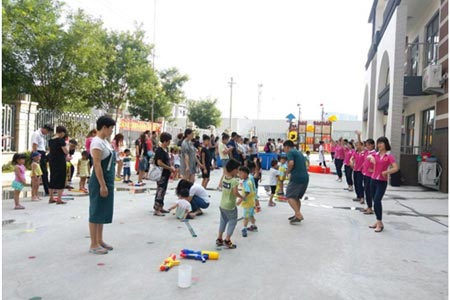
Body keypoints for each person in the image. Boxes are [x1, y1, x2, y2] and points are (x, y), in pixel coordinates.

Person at [88, 115, 116, 254]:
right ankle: (93, 244)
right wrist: (102, 185)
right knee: (95, 211)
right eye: (111, 128)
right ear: (104, 127)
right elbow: (97, 165)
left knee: (102, 211)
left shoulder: (105, 142)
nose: (112, 131)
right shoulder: (96, 143)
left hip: (108, 180)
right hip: (99, 181)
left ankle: (100, 240)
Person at [367, 137, 399, 233]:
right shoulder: (375, 155)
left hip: (382, 181)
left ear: (386, 144)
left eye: (381, 143)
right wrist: (372, 160)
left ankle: (379, 223)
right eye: (378, 143)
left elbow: (396, 168)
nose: (379, 145)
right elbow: (370, 161)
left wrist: (386, 172)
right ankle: (378, 221)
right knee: (374, 200)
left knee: (377, 200)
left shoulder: (389, 156)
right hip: (373, 180)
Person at [216, 159, 242, 249]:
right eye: (238, 169)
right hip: (230, 206)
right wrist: (242, 197)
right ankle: (227, 240)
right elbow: (235, 193)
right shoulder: (234, 181)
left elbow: (220, 186)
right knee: (233, 221)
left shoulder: (224, 178)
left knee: (223, 221)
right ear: (234, 170)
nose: (238, 171)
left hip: (222, 204)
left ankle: (219, 238)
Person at [283, 140, 309, 224]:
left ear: (287, 147)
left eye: (284, 148)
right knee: (296, 197)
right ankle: (296, 214)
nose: (284, 150)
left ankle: (298, 214)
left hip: (297, 178)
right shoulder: (299, 152)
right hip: (305, 177)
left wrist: (287, 171)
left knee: (289, 196)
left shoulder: (290, 152)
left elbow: (291, 163)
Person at [153, 132, 175, 216]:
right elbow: (159, 163)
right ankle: (157, 208)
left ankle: (161, 206)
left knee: (163, 190)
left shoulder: (166, 150)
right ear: (165, 141)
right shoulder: (160, 150)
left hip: (166, 173)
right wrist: (169, 168)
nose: (169, 142)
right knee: (160, 190)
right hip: (161, 174)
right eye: (169, 141)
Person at [48, 126, 69, 205]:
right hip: (60, 161)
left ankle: (51, 198)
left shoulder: (50, 140)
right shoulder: (61, 140)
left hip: (52, 160)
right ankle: (59, 199)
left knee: (52, 177)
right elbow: (65, 151)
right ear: (62, 133)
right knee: (61, 178)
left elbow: (50, 150)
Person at [31, 123, 53, 195]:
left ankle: (46, 189)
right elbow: (34, 146)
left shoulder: (42, 135)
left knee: (43, 173)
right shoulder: (36, 134)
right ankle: (40, 191)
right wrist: (36, 158)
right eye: (48, 131)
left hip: (42, 154)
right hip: (38, 154)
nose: (48, 133)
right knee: (38, 173)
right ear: (45, 129)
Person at [237, 166, 257, 237]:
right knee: (251, 215)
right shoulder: (247, 181)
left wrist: (240, 200)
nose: (239, 175)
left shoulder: (247, 183)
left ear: (245, 174)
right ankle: (254, 226)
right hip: (250, 202)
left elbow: (247, 192)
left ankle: (244, 228)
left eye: (240, 174)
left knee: (245, 217)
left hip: (247, 203)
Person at [362, 138, 376, 215]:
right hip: (365, 174)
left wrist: (373, 170)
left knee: (369, 191)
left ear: (372, 145)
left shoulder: (374, 154)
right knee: (366, 191)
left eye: (368, 145)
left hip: (370, 176)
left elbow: (377, 164)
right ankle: (368, 206)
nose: (366, 146)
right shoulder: (368, 152)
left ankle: (370, 208)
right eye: (366, 145)